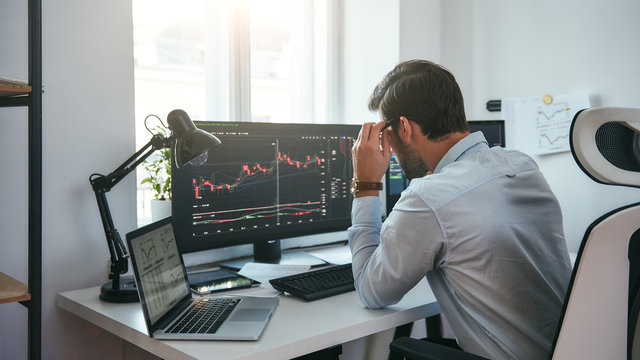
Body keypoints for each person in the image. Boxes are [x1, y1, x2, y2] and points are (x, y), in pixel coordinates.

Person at [348, 59, 572, 359]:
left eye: (385, 131)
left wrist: (366, 183)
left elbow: (370, 290)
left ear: (403, 127)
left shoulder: (428, 199)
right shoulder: (521, 165)